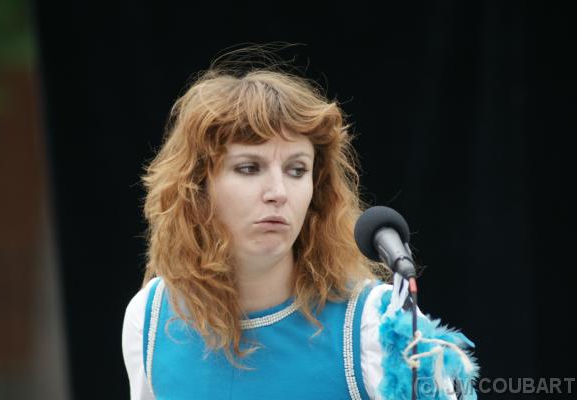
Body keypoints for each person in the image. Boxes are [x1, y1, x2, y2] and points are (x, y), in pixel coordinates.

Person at [122, 52, 478, 400]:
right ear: (197, 186)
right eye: (249, 168)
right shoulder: (150, 316)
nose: (278, 192)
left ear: (316, 190)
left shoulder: (376, 324)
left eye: (297, 170)